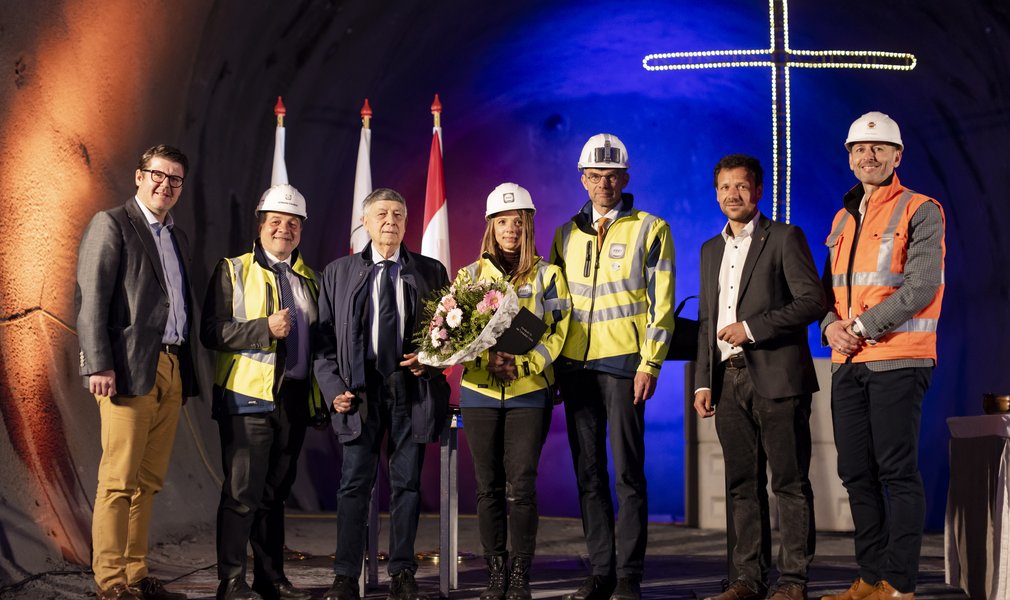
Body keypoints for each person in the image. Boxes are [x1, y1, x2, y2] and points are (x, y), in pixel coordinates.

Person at [819, 112, 945, 600]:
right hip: (847, 363)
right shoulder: (842, 218)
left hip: (900, 358)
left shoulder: (920, 209)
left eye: (878, 149)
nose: (867, 156)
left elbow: (920, 287)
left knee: (896, 472)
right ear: (849, 158)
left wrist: (860, 327)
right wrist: (830, 327)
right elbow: (829, 292)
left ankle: (899, 584)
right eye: (858, 149)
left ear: (897, 156)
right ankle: (870, 578)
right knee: (856, 473)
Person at [692, 155, 825, 600]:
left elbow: (812, 302)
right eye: (725, 187)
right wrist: (703, 381)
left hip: (778, 379)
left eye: (742, 186)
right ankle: (748, 580)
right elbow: (707, 320)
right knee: (741, 486)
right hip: (728, 381)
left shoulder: (785, 237)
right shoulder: (710, 250)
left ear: (758, 191)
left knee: (789, 483)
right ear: (716, 193)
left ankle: (792, 582)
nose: (733, 194)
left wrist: (751, 329)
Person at [550, 133, 675, 600]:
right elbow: (553, 305)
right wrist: (551, 365)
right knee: (589, 475)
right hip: (575, 370)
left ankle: (628, 576)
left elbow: (662, 306)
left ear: (625, 178)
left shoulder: (651, 228)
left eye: (612, 176)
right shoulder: (564, 234)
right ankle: (600, 572)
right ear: (582, 179)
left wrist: (650, 364)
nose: (603, 184)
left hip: (625, 366)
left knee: (627, 475)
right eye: (595, 176)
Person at [314, 188, 451, 600]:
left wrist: (432, 362)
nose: (390, 221)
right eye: (382, 214)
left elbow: (450, 336)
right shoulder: (337, 273)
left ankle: (403, 573)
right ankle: (344, 575)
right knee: (354, 485)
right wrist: (334, 390)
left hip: (412, 390)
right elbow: (323, 343)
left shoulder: (431, 271)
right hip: (360, 392)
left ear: (406, 223)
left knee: (407, 484)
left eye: (398, 215)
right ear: (365, 222)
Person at [75, 144, 197, 600]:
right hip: (127, 368)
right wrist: (98, 363)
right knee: (118, 480)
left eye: (175, 179)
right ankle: (111, 581)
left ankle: (135, 572)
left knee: (148, 481)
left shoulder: (178, 238)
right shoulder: (111, 224)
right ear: (139, 176)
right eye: (158, 175)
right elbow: (91, 298)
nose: (166, 185)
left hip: (171, 365)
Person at [202, 183, 327, 600]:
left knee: (274, 495)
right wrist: (263, 329)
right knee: (242, 495)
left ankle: (270, 579)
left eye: (292, 223)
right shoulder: (233, 269)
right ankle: (231, 581)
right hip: (247, 399)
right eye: (276, 221)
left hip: (293, 399)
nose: (283, 229)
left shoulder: (311, 280)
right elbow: (211, 332)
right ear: (260, 226)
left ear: (301, 229)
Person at [458, 183, 572, 600]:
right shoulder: (468, 277)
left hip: (529, 394)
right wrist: (484, 359)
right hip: (479, 394)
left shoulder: (548, 276)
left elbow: (559, 332)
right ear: (491, 226)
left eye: (518, 222)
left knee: (521, 487)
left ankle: (521, 573)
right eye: (503, 222)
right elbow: (453, 335)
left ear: (529, 225)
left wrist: (524, 365)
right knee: (487, 487)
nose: (511, 230)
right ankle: (495, 573)